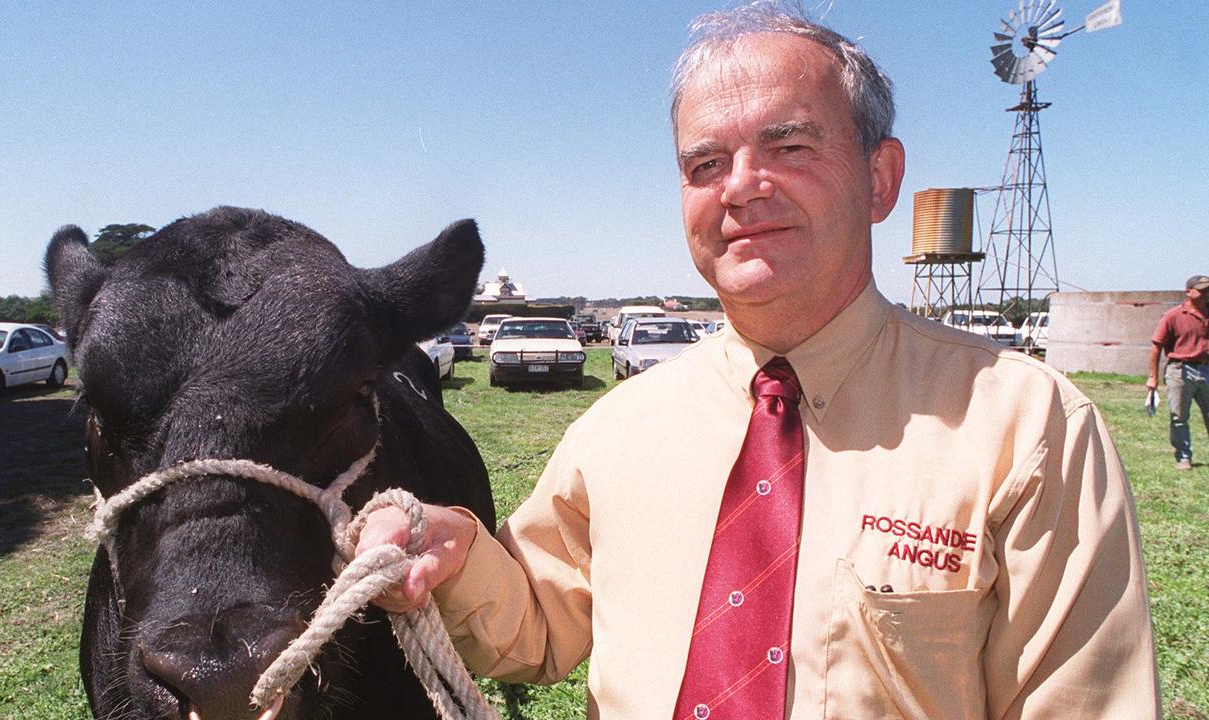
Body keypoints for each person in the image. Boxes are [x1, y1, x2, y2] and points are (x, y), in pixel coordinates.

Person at [356, 4, 1160, 717]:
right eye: (705, 164)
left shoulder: (1028, 427)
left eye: (789, 144)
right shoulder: (620, 430)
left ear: (880, 180)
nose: (740, 188)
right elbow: (537, 626)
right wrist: (454, 553)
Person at [1147, 274, 1209, 470]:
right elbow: (1156, 347)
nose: (1206, 293)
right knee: (1179, 416)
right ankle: (1183, 457)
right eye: (1202, 289)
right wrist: (1152, 377)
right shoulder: (1173, 316)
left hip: (1206, 368)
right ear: (1189, 292)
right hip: (1180, 370)